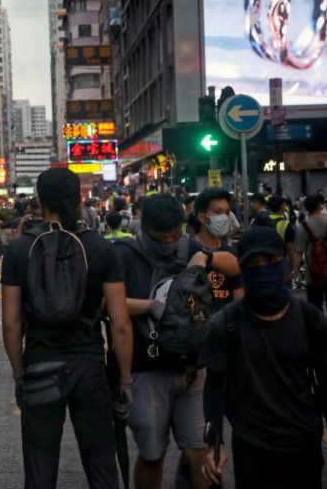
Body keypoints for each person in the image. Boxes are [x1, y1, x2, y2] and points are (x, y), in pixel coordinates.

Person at [1, 168, 134, 488]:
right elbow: (121, 324)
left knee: (40, 465)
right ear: (79, 199)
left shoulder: (19, 250)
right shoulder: (101, 248)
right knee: (101, 462)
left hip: (40, 364)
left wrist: (20, 374)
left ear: (39, 201)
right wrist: (126, 382)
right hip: (88, 367)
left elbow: (11, 324)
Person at [201, 227, 327, 489]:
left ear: (283, 262)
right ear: (242, 267)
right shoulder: (225, 324)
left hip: (303, 445)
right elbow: (214, 389)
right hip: (251, 450)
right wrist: (215, 445)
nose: (263, 269)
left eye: (270, 262)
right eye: (253, 263)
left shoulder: (310, 320)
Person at [113, 193, 240, 489]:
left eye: (174, 235)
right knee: (152, 455)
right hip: (146, 370)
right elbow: (108, 303)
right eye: (161, 237)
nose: (169, 242)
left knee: (199, 452)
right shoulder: (124, 255)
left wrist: (205, 257)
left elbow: (235, 266)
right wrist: (150, 306)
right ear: (143, 227)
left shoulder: (190, 246)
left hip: (193, 370)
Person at [292, 194, 327, 339]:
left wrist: (295, 270)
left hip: (313, 272)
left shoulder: (303, 226)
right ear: (319, 205)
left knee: (315, 301)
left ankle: (321, 327)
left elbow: (298, 251)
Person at [194, 188, 244, 312]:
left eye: (227, 212)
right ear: (202, 217)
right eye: (218, 212)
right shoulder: (188, 249)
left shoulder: (231, 255)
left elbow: (239, 296)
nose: (224, 218)